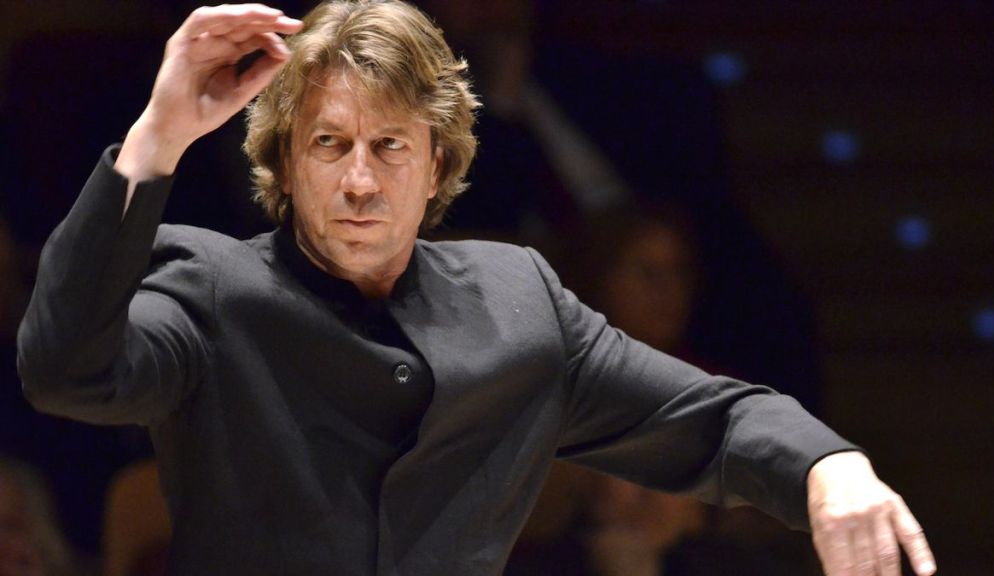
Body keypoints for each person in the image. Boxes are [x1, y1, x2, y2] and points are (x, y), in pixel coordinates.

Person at [16, 1, 936, 575]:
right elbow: (63, 368)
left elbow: (712, 420)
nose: (360, 181)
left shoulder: (517, 299)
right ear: (285, 167)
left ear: (437, 168)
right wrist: (157, 140)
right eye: (329, 145)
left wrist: (827, 467)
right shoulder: (209, 286)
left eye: (390, 147)